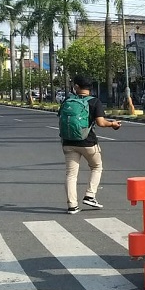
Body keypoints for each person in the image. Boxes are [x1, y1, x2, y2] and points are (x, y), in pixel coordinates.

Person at [58, 75, 122, 215]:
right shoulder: (94, 102)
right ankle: (90, 195)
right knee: (96, 167)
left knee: (71, 174)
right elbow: (101, 122)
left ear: (76, 87)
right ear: (90, 88)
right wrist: (113, 124)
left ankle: (72, 205)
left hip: (68, 142)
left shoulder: (67, 101)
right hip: (88, 142)